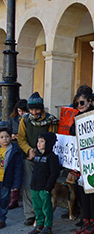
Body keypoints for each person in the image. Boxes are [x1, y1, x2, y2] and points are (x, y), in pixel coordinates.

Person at [17, 92, 58, 226]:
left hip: (45, 158)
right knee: (29, 185)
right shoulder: (25, 120)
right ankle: (31, 214)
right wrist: (29, 149)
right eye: (31, 109)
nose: (34, 112)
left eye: (37, 109)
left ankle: (45, 214)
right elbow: (21, 138)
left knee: (44, 187)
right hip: (29, 156)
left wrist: (43, 152)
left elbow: (53, 138)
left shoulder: (51, 120)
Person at [70, 87, 94, 234]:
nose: (79, 106)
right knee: (82, 192)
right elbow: (71, 133)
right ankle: (86, 220)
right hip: (81, 161)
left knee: (91, 193)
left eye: (81, 103)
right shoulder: (78, 117)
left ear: (90, 101)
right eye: (76, 104)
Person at [27, 132, 61, 234]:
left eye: (42, 141)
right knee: (37, 207)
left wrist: (48, 187)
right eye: (38, 141)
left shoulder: (52, 157)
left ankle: (48, 226)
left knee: (46, 207)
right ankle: (39, 224)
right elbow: (35, 171)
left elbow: (54, 173)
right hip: (35, 186)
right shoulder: (37, 155)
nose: (39, 144)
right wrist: (32, 184)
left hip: (45, 187)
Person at [0, 125, 23, 229]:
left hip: (6, 180)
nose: (4, 139)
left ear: (11, 137)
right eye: (1, 137)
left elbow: (18, 169)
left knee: (4, 200)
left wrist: (16, 185)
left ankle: (2, 219)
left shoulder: (14, 151)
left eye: (7, 137)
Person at [7, 99, 27, 210]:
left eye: (23, 111)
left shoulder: (28, 119)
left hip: (25, 149)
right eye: (19, 111)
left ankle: (22, 197)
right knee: (15, 173)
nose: (21, 113)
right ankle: (14, 198)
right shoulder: (12, 120)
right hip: (15, 148)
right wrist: (12, 136)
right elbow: (7, 131)